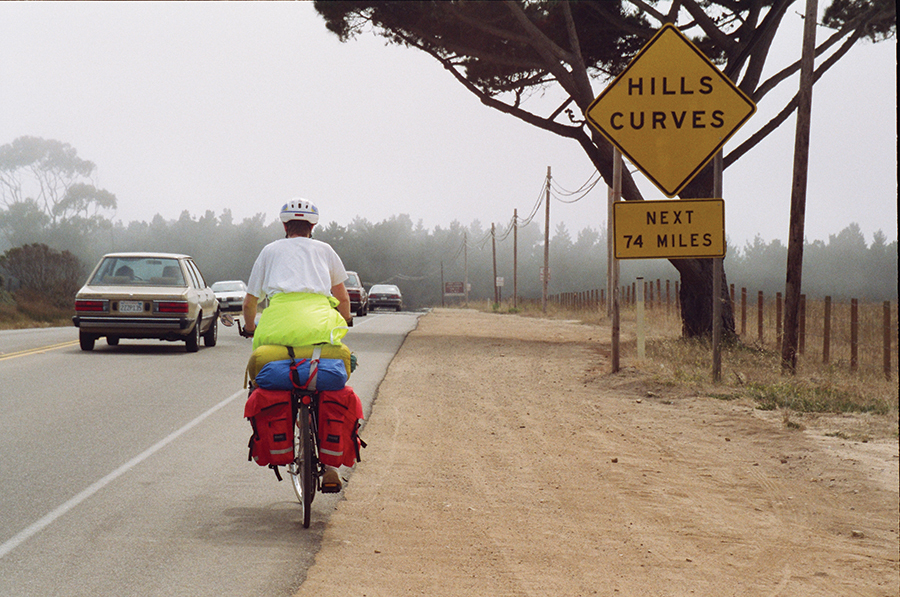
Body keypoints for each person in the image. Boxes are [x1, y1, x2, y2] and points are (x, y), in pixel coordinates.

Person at [241, 198, 352, 492]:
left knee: (268, 377)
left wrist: (250, 327)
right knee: (332, 381)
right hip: (319, 328)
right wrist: (347, 319)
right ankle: (329, 466)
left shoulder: (270, 251)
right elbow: (342, 298)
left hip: (278, 326)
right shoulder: (326, 251)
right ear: (313, 226)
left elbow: (250, 301)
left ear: (284, 225)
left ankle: (283, 437)